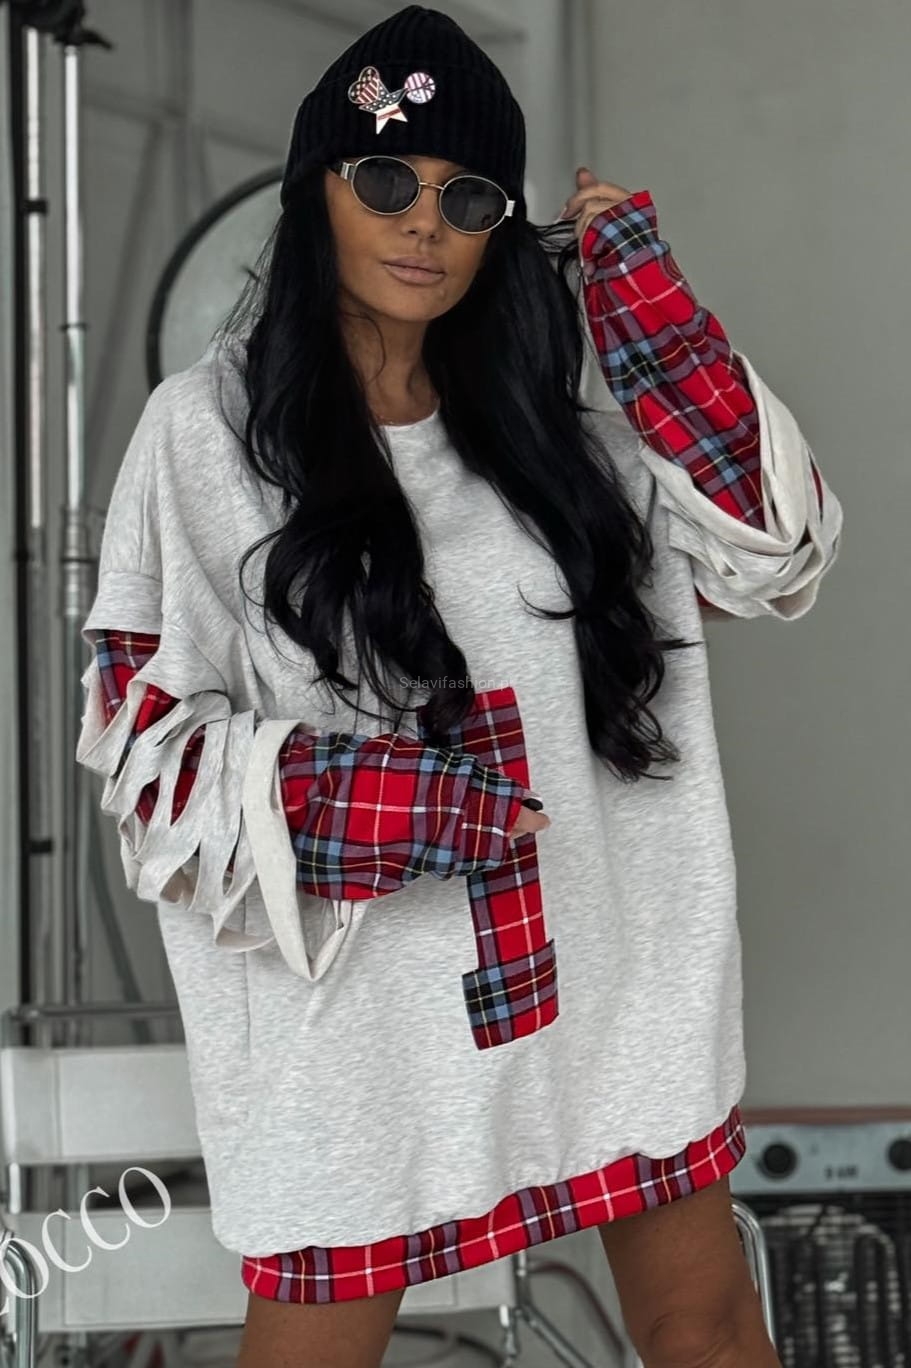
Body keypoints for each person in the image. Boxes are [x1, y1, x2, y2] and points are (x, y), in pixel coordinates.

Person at [76, 6, 843, 1366]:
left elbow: (770, 550)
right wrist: (386, 803)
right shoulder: (206, 432)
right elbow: (142, 738)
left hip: (616, 978)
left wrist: (648, 316)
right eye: (386, 178)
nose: (424, 222)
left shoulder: (562, 434)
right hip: (360, 1033)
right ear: (317, 187)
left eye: (468, 195)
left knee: (708, 1333)